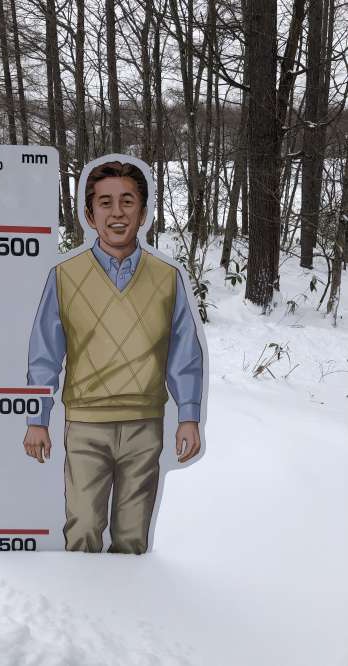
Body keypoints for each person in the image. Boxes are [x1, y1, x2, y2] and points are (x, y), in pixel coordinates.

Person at [23, 159, 203, 554]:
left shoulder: (167, 278)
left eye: (127, 201)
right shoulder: (64, 277)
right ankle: (81, 595)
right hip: (85, 426)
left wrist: (188, 417)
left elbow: (184, 354)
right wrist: (37, 420)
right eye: (105, 203)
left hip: (145, 426)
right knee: (83, 530)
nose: (117, 212)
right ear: (90, 215)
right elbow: (44, 356)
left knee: (132, 537)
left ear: (143, 212)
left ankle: (129, 596)